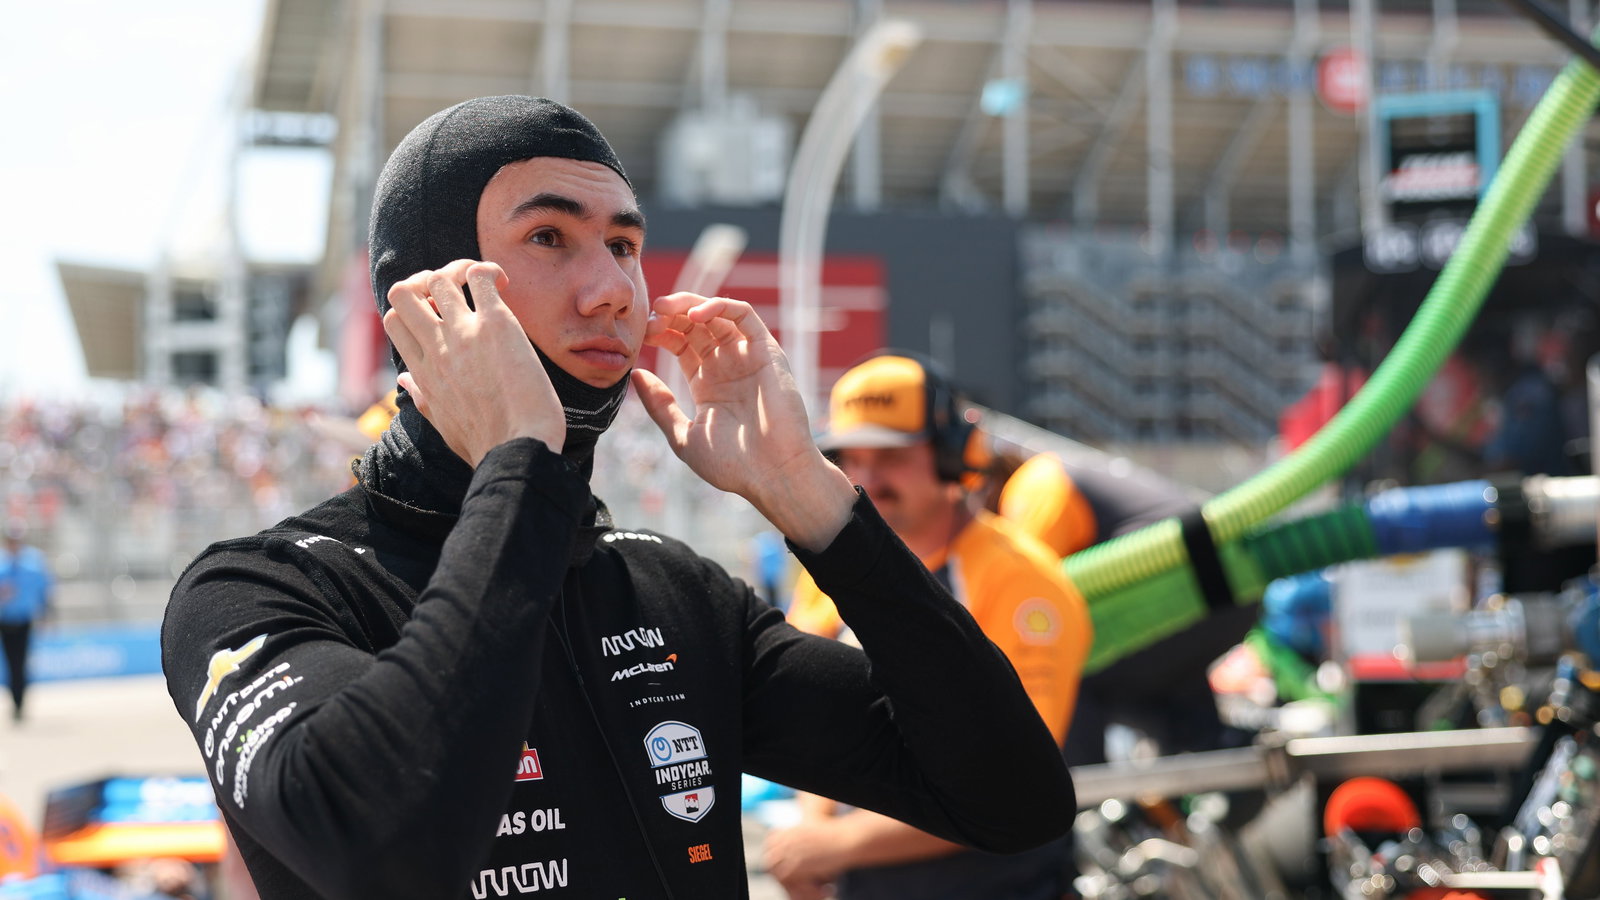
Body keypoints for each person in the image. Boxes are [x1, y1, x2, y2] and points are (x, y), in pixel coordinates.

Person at [160, 96, 1075, 900]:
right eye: (549, 238)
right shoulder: (256, 591)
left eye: (624, 246)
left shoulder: (672, 594)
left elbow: (1013, 799)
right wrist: (518, 465)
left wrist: (818, 507)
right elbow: (387, 848)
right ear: (429, 296)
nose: (611, 291)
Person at [763, 354, 1092, 900]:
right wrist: (814, 833)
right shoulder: (829, 570)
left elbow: (1015, 783)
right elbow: (809, 711)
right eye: (851, 458)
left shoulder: (1024, 582)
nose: (868, 479)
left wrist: (834, 845)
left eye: (892, 456)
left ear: (950, 456)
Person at [994, 451, 1256, 766]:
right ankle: (1219, 750)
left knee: (1060, 667)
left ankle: (1082, 791)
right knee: (1150, 691)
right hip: (1225, 592)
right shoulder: (1059, 471)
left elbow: (1025, 589)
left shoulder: (1034, 482)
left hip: (1188, 592)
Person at [0, 521, 53, 723]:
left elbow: (44, 590)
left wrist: (45, 614)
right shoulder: (2, 563)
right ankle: (15, 699)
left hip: (23, 621)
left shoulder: (34, 563)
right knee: (9, 663)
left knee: (21, 663)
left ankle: (20, 702)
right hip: (4, 621)